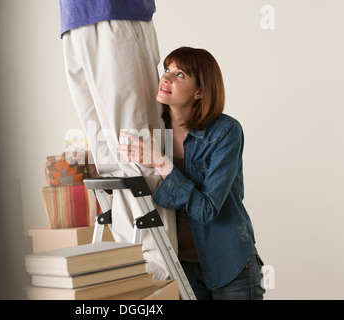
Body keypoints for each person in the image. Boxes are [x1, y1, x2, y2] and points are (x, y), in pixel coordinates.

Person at [118, 46, 266, 299]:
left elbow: (207, 209)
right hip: (179, 265)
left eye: (180, 75)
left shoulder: (226, 132)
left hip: (229, 263)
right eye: (167, 69)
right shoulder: (151, 129)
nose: (166, 78)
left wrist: (160, 162)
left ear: (200, 91)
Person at [59, 0, 177, 280]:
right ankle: (135, 270)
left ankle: (162, 281)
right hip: (74, 22)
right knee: (109, 161)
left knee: (139, 150)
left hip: (118, 15)